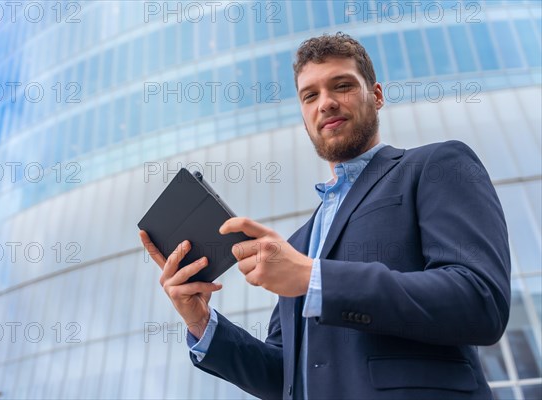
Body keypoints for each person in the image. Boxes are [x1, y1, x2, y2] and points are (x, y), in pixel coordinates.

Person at [139, 33, 510, 400]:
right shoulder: (298, 243)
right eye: (310, 95)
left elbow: (480, 300)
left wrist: (313, 278)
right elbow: (284, 375)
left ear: (376, 96)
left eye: (342, 86)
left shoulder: (435, 166)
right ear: (303, 116)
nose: (326, 103)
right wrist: (200, 322)